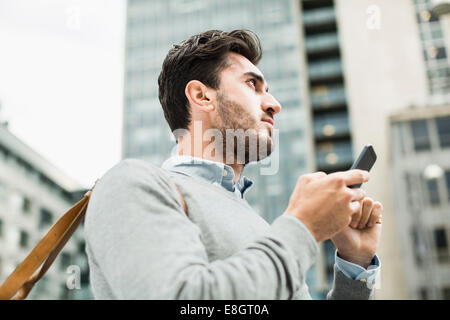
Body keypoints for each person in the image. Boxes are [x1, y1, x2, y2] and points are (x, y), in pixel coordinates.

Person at [84, 29, 382, 299]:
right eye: (253, 84)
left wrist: (353, 265)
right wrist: (302, 227)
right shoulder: (131, 184)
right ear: (201, 96)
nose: (274, 104)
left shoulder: (264, 229)